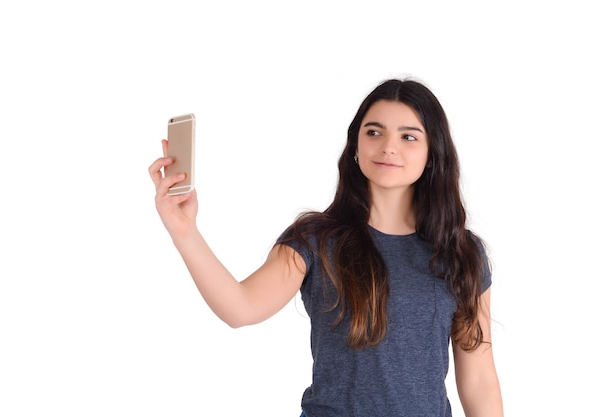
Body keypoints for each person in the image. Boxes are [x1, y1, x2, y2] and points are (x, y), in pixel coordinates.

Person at [148, 78, 504, 417]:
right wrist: (184, 231)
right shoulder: (316, 240)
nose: (388, 146)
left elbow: (478, 379)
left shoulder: (461, 253)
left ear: (432, 154)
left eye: (408, 136)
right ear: (356, 146)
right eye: (374, 132)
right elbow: (240, 308)